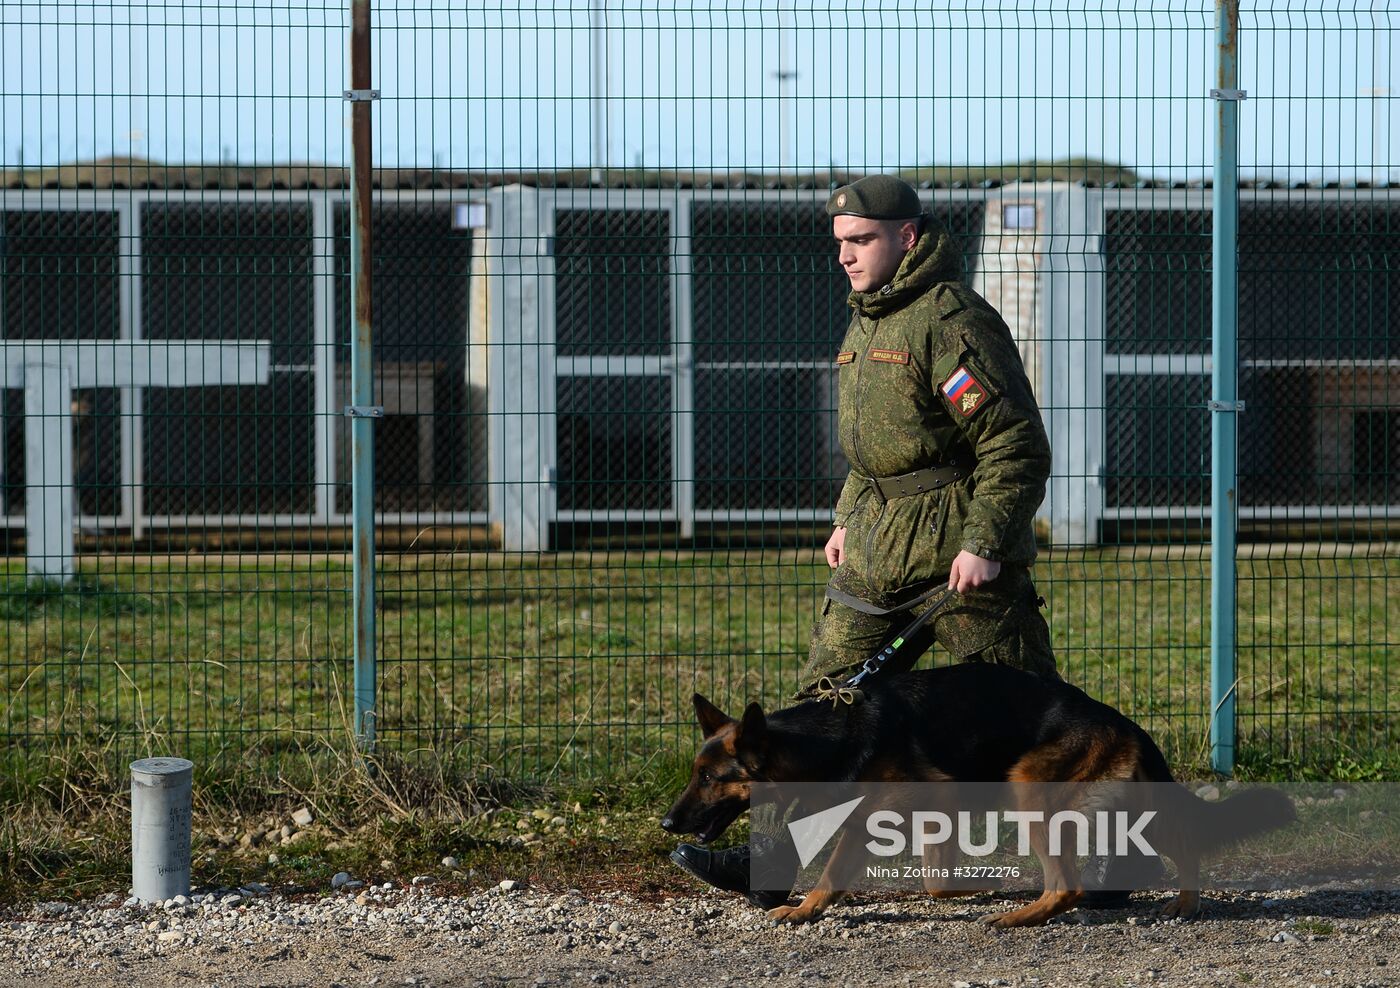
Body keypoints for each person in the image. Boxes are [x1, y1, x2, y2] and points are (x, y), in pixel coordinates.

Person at [669, 175, 1136, 908]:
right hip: (878, 552)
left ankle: (1109, 866)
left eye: (860, 241)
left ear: (908, 237)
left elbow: (1014, 445)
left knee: (1033, 713)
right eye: (840, 244)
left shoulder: (952, 319)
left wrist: (984, 540)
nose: (845, 258)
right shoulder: (867, 318)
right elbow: (874, 448)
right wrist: (848, 515)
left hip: (959, 559)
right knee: (819, 722)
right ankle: (769, 867)